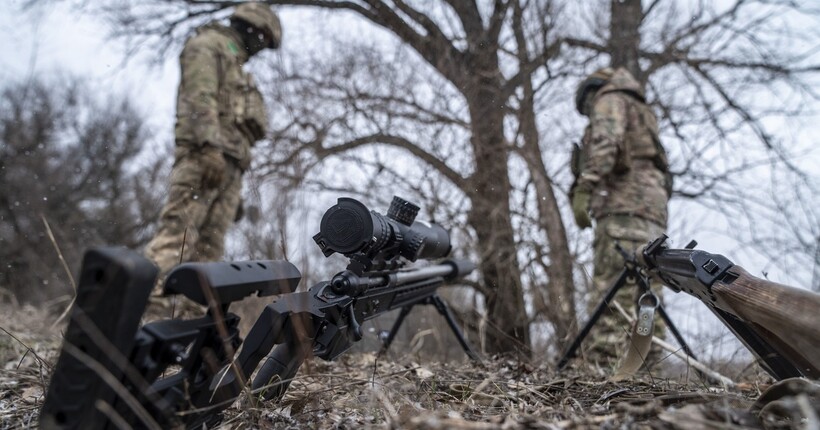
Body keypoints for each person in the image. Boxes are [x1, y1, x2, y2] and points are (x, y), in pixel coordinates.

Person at [145, 2, 281, 289]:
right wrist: (209, 149)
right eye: (264, 39)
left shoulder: (237, 64)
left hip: (229, 167)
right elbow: (200, 99)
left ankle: (186, 325)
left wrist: (234, 186)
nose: (262, 47)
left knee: (208, 255)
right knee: (176, 241)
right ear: (253, 28)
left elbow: (235, 122)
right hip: (202, 158)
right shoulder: (207, 45)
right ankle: (142, 317)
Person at [570, 67, 672, 363]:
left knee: (612, 289)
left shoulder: (610, 100)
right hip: (652, 213)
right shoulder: (643, 112)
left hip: (621, 209)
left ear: (592, 93)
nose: (591, 114)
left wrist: (584, 188)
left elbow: (606, 143)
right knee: (648, 291)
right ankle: (649, 369)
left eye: (587, 108)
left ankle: (606, 366)